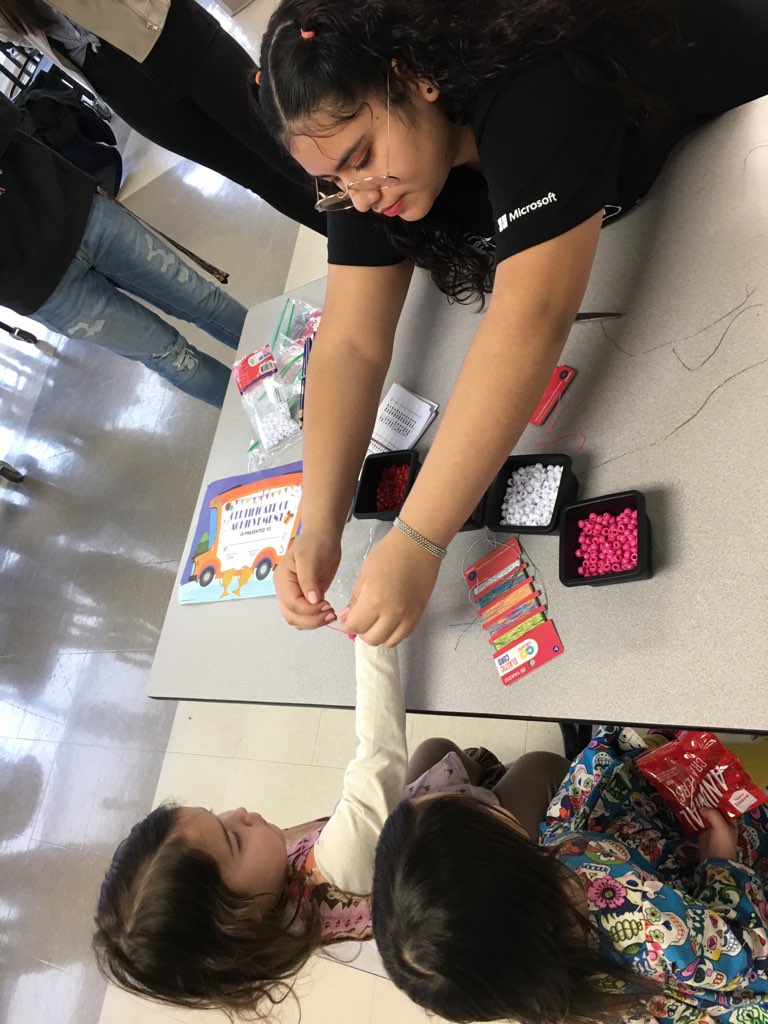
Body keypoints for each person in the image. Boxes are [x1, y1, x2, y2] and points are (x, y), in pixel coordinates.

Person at [255, 0, 768, 646]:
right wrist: (317, 523)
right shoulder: (368, 148)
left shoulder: (538, 81)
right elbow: (351, 343)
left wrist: (418, 538)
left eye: (360, 158)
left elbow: (532, 314)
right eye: (332, 182)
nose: (359, 197)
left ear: (412, 75)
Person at [93, 635, 566, 1015]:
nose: (238, 812)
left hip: (400, 836)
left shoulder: (268, 921)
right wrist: (372, 637)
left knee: (437, 749)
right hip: (463, 849)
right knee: (542, 765)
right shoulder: (339, 867)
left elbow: (335, 820)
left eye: (216, 812)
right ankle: (554, 797)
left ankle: (480, 773)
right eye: (233, 839)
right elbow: (378, 756)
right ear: (241, 917)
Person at [372, 727, 768, 1024]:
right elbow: (745, 952)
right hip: (732, 934)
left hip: (635, 870)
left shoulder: (533, 973)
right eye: (476, 810)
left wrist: (608, 753)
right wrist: (720, 865)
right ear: (524, 871)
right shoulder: (642, 921)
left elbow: (570, 828)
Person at [1, 92, 244, 407]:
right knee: (174, 357)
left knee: (203, 302)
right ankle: (273, 416)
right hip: (35, 287)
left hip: (78, 210)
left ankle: (305, 364)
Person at [0, 0, 324, 234]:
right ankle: (369, 254)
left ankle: (373, 217)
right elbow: (14, 32)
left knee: (289, 137)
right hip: (116, 80)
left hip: (169, 26)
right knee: (257, 177)